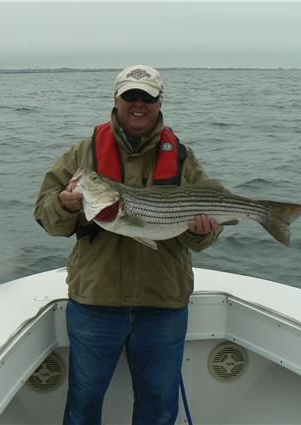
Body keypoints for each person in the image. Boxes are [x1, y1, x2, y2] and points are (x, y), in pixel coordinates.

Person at [34, 64, 222, 425]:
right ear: (116, 99)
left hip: (162, 303)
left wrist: (201, 231)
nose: (139, 105)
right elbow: (45, 216)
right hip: (95, 302)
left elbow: (203, 240)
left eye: (147, 97)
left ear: (159, 101)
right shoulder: (82, 154)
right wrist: (63, 204)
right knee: (83, 404)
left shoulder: (182, 157)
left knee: (158, 407)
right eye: (130, 96)